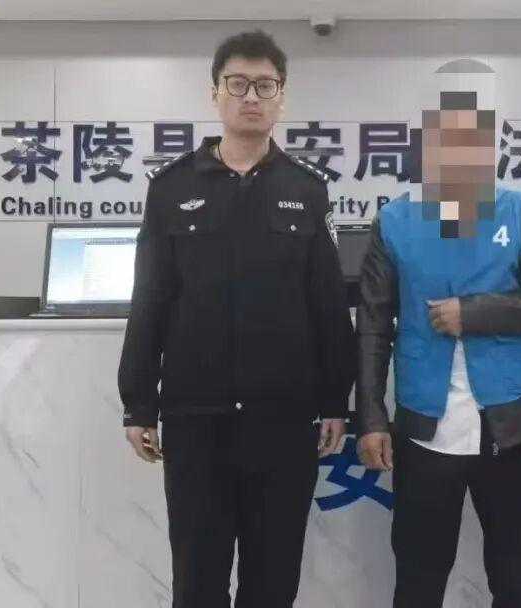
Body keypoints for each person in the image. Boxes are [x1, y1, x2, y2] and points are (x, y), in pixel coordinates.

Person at [117, 30, 356, 608]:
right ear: (215, 94)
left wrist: (335, 400)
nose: (252, 96)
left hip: (284, 418)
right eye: (239, 84)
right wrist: (138, 402)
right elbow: (150, 299)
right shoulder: (172, 188)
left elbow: (327, 304)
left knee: (272, 579)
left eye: (265, 86)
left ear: (281, 98)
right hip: (196, 418)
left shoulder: (306, 189)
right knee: (197, 579)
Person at [355, 58, 521, 608]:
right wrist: (371, 417)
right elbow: (372, 325)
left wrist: (474, 313)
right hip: (425, 432)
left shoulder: (519, 211)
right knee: (418, 583)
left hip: (510, 431)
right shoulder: (395, 221)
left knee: (514, 583)